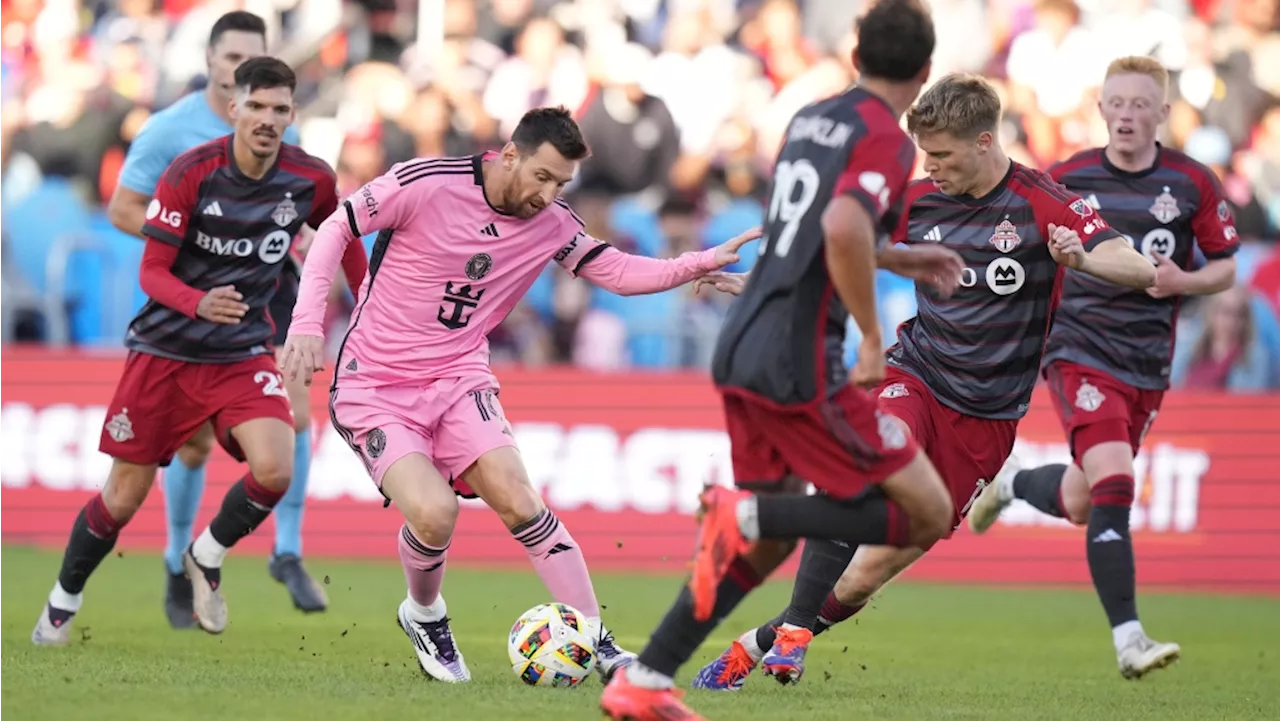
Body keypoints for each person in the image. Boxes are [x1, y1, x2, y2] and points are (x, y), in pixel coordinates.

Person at [682, 69, 1158, 696]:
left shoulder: (1043, 201)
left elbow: (1140, 265)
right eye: (922, 153)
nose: (928, 166)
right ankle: (787, 615)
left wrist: (1082, 258)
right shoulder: (915, 199)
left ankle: (760, 644)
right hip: (915, 374)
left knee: (858, 582)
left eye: (940, 154)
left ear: (985, 142)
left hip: (986, 420)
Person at [280, 105, 758, 684]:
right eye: (543, 176)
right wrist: (307, 322)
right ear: (511, 155)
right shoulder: (425, 182)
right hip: (375, 384)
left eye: (561, 183)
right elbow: (336, 227)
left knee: (520, 499)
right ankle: (425, 613)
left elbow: (619, 273)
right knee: (435, 514)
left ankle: (594, 637)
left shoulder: (553, 223)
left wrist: (699, 263)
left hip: (458, 377)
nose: (549, 194)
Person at [597, 3, 958, 717]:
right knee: (928, 511)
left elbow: (822, 230)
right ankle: (746, 514)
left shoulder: (810, 118)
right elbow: (843, 224)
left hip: (746, 340)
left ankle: (647, 675)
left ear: (855, 55)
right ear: (923, 72)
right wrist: (871, 334)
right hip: (800, 356)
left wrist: (901, 254)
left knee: (761, 550)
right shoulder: (887, 137)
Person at [32, 58, 367, 645]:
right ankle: (62, 601)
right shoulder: (192, 172)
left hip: (241, 351)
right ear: (233, 107)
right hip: (166, 350)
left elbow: (341, 238)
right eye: (256, 106)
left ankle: (205, 554)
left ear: (292, 114)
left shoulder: (309, 178)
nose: (267, 119)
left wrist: (368, 304)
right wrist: (198, 303)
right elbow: (153, 271)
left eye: (279, 109)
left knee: (276, 467)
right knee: (122, 497)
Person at [967, 56, 1239, 679]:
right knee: (1114, 481)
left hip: (1147, 362)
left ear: (1163, 115)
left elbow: (1226, 263)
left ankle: (1010, 485)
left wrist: (1186, 280)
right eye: (1116, 102)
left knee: (1086, 498)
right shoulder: (1067, 177)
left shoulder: (1192, 182)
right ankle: (1129, 639)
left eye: (1141, 104)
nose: (1126, 115)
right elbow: (1013, 240)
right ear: (1100, 108)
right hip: (1078, 349)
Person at [106, 11, 329, 622]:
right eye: (230, 59)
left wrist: (303, 242)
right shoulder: (168, 131)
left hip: (266, 289)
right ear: (209, 61)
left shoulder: (275, 119)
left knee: (299, 410)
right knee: (196, 448)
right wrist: (193, 251)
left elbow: (298, 203)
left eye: (251, 60)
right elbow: (124, 209)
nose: (240, 72)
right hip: (192, 301)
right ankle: (178, 560)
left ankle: (287, 549)